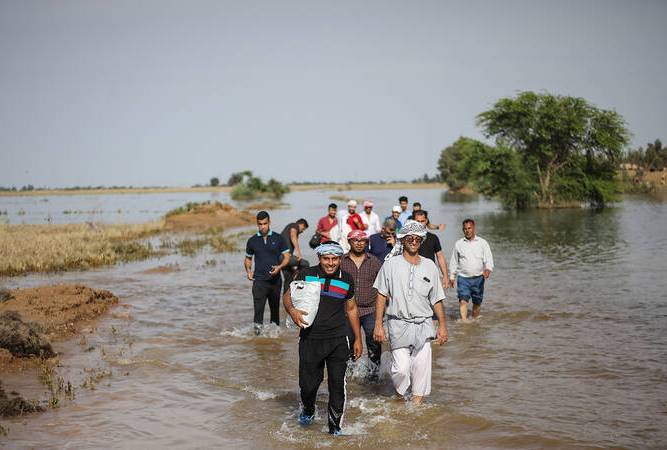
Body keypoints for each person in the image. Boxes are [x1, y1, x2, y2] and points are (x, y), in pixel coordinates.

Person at [283, 241, 363, 435]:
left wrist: (358, 339)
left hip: (338, 339)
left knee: (337, 386)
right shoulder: (306, 274)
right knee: (308, 385)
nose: (330, 263)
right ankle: (308, 409)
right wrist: (292, 311)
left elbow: (352, 309)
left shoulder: (347, 279)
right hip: (310, 338)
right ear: (319, 258)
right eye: (326, 259)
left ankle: (334, 428)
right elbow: (287, 296)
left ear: (340, 259)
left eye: (334, 259)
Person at [373, 220, 448, 405]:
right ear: (403, 240)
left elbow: (437, 298)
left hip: (424, 323)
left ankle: (415, 407)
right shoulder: (390, 265)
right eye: (410, 238)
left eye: (417, 238)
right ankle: (400, 395)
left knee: (421, 368)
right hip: (398, 323)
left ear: (421, 241)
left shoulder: (430, 265)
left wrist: (443, 326)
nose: (413, 241)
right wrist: (378, 325)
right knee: (402, 369)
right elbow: (381, 295)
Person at [340, 230, 383, 381]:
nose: (359, 243)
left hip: (370, 309)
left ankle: (374, 375)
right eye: (355, 240)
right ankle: (349, 375)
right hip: (346, 310)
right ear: (349, 241)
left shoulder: (375, 261)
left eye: (362, 241)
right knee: (348, 342)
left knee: (374, 341)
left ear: (366, 243)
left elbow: (383, 288)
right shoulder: (341, 261)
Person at [244, 211, 291, 333]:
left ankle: (274, 340)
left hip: (275, 281)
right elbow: (248, 258)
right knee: (258, 312)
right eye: (260, 224)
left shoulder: (278, 238)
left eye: (265, 223)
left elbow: (287, 256)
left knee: (275, 311)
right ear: (257, 224)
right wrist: (248, 270)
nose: (262, 226)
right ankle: (257, 335)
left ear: (269, 222)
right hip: (259, 281)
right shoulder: (252, 241)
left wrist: (280, 267)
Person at [448, 218, 494, 321]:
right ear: (462, 230)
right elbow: (454, 261)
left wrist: (488, 269)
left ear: (474, 228)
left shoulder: (482, 243)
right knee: (463, 301)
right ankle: (464, 323)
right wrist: (451, 276)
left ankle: (474, 321)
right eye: (465, 229)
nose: (467, 231)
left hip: (478, 278)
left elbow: (489, 258)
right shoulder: (458, 244)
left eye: (469, 228)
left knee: (477, 303)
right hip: (463, 278)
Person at [412, 211, 450, 289]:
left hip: (430, 275)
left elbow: (440, 257)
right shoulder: (408, 239)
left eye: (422, 221)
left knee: (434, 300)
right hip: (413, 276)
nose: (420, 224)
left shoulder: (433, 238)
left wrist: (445, 276)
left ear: (426, 221)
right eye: (417, 221)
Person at [281, 218, 310, 294]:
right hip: (284, 257)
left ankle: (286, 297)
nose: (302, 231)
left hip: (280, 258)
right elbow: (293, 235)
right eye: (303, 229)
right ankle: (300, 288)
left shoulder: (289, 227)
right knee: (305, 264)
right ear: (302, 225)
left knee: (288, 278)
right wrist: (298, 252)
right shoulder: (294, 225)